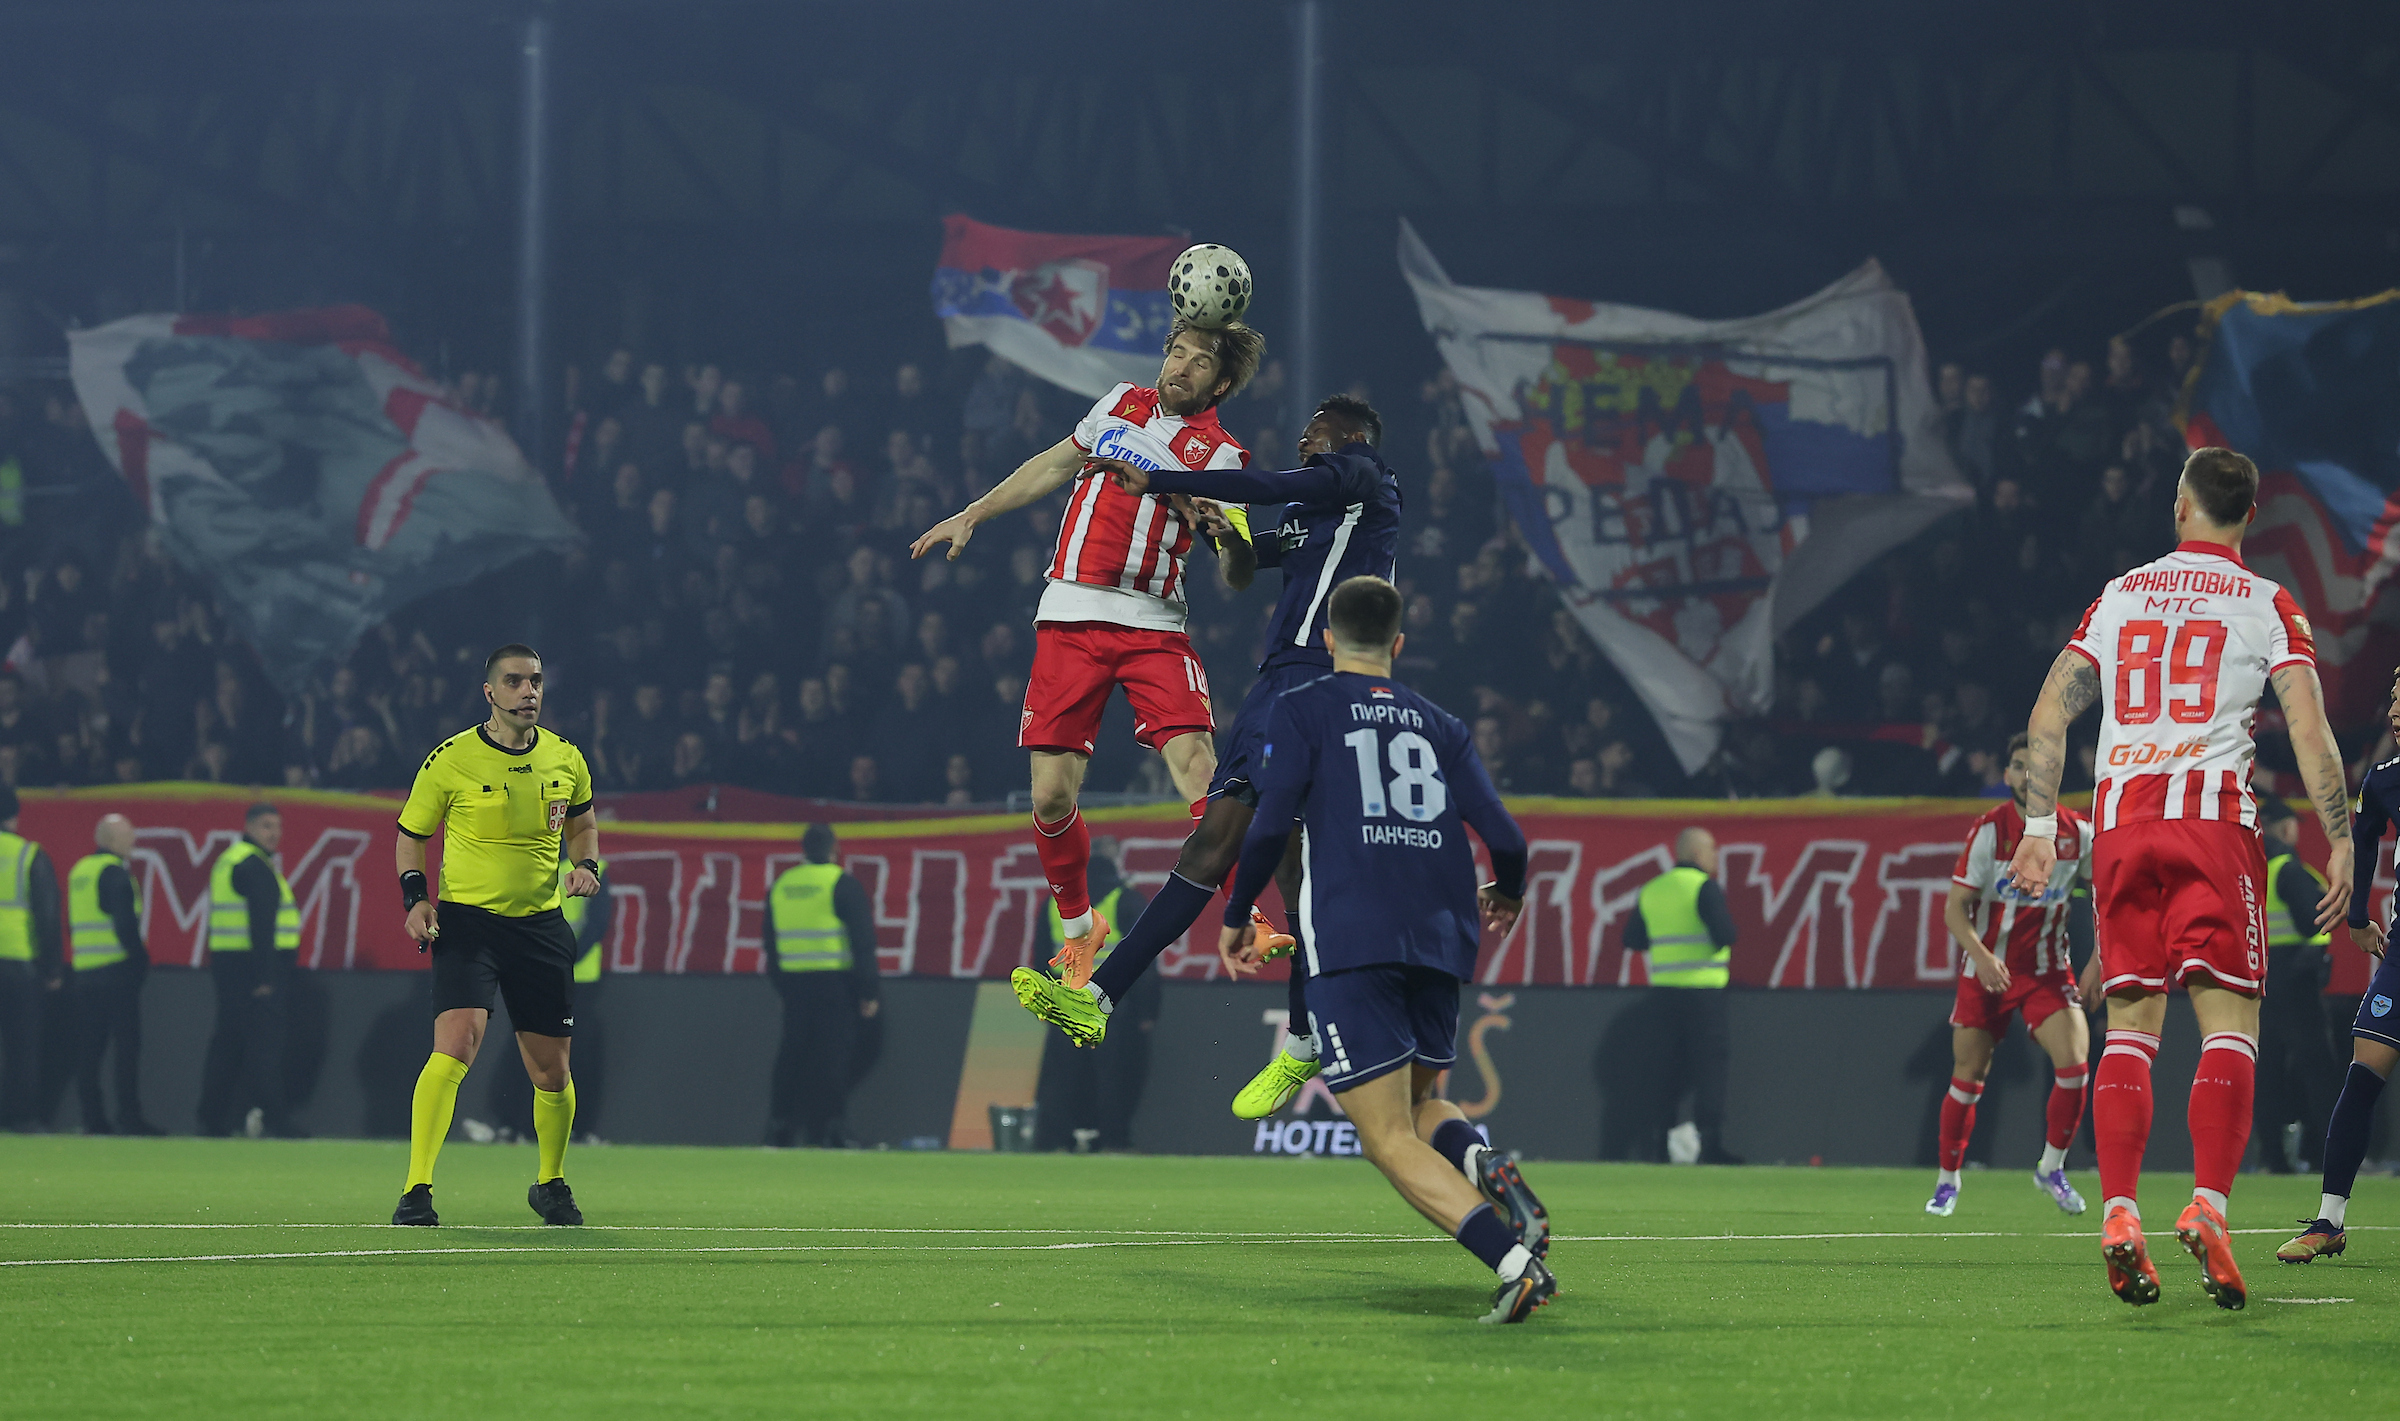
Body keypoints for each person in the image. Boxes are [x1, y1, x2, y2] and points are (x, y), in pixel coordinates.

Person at [2007, 446, 2351, 1310]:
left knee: (2130, 1025)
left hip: (2122, 827)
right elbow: (2308, 728)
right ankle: (2207, 1204)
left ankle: (2119, 1211)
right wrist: (2340, 838)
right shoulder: (2269, 603)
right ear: (2250, 515)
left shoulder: (2121, 593)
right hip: (2211, 824)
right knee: (2230, 1024)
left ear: (2180, 506)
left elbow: (2050, 708)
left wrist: (2042, 827)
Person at [1018, 395, 1406, 1123]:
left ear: (1350, 434)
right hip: (1275, 685)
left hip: (1322, 684)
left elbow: (1273, 484)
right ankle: (1291, 1036)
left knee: (1230, 847)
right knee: (1273, 859)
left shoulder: (1364, 477)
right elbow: (1248, 558)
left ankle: (1110, 997)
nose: (1304, 432)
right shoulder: (1316, 514)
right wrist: (1214, 530)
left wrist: (1165, 479)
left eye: (1315, 423)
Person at [1216, 575, 1553, 1323]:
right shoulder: (1441, 723)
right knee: (1423, 1101)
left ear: (1329, 640)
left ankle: (1513, 1261)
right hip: (1439, 934)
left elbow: (1271, 825)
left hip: (1352, 933)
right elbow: (1507, 837)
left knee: (1385, 1135)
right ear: (1398, 644)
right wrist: (1510, 889)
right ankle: (1486, 1164)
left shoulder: (1300, 708)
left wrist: (1239, 909)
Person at [911, 319, 1264, 989]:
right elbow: (1051, 464)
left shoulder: (1220, 456)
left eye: (1198, 362)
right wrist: (974, 513)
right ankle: (1080, 928)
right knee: (1049, 797)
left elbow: (1241, 570)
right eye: (1176, 352)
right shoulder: (1118, 403)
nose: (1180, 366)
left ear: (1219, 383)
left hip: (1153, 624)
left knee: (1198, 768)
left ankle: (1246, 912)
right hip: (1068, 614)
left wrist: (1227, 538)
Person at [390, 644, 600, 1228]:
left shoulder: (567, 758)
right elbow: (411, 836)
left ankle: (551, 1182)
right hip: (470, 925)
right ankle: (416, 1189)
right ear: (490, 692)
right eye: (514, 682)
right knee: (456, 1044)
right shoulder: (450, 759)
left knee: (551, 1073)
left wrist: (588, 866)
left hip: (539, 927)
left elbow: (583, 823)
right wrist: (416, 899)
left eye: (535, 681)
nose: (528, 691)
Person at [1924, 733, 2093, 1218]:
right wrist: (1980, 957)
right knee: (1968, 1077)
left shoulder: (2077, 834)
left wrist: (2100, 957)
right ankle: (1947, 1180)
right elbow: (1955, 910)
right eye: (2019, 766)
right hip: (1987, 971)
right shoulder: (1989, 831)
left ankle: (2052, 1168)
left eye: (2037, 767)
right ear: (2007, 775)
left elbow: (2105, 896)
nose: (2028, 776)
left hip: (2044, 971)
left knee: (2075, 1065)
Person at [2280, 669, 2400, 1264]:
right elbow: (2368, 841)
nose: (2396, 711)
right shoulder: (2384, 780)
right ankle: (2329, 1221)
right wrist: (2357, 920)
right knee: (2362, 1074)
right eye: (2395, 698)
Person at [1624, 827, 1742, 1164]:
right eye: (1712, 849)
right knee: (1710, 1069)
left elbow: (1632, 938)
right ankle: (1710, 1144)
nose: (1716, 856)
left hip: (1663, 995)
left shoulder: (1653, 889)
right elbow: (1725, 934)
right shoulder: (1704, 887)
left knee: (1666, 1069)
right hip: (1704, 994)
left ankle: (1659, 1144)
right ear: (1696, 854)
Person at [1031, 841, 1156, 1150]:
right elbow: (1144, 959)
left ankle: (1055, 1142)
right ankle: (1112, 1141)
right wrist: (1147, 1012)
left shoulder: (1055, 901)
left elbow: (1038, 959)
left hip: (1065, 1001)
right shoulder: (1126, 899)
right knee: (1114, 1078)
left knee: (1062, 1078)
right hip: (1112, 1004)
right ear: (1113, 861)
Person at [764, 823, 881, 1148]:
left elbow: (770, 945)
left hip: (794, 986)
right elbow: (862, 943)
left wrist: (782, 988)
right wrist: (869, 991)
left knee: (791, 1056)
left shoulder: (782, 885)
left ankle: (779, 1127)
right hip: (834, 984)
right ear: (834, 849)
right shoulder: (842, 884)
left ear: (803, 850)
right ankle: (830, 1127)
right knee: (833, 1056)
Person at [197, 802, 303, 1138]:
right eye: (267, 826)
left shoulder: (233, 860)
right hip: (253, 969)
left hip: (231, 965)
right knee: (264, 1048)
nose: (275, 834)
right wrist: (265, 976)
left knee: (229, 1043)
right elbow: (262, 924)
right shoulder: (252, 865)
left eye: (278, 827)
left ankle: (212, 1119)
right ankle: (274, 1120)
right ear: (249, 826)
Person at [2252, 796, 2339, 1175]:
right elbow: (2312, 922)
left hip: (2260, 980)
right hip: (2296, 979)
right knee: (2319, 1069)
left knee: (2266, 1070)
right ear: (2288, 828)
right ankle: (2326, 1155)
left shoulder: (2251, 869)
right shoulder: (2288, 869)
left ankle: (2274, 1156)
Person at [68, 813, 157, 1135]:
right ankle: (129, 1117)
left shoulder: (80, 872)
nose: (133, 839)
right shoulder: (115, 875)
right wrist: (140, 960)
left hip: (84, 972)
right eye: (128, 834)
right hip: (116, 973)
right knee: (126, 1048)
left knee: (90, 1050)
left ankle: (93, 1118)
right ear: (110, 840)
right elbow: (125, 926)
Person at [0, 786, 63, 1131]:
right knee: (22, 1044)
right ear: (14, 817)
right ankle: (19, 1116)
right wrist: (52, 968)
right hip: (16, 962)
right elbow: (47, 915)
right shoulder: (28, 854)